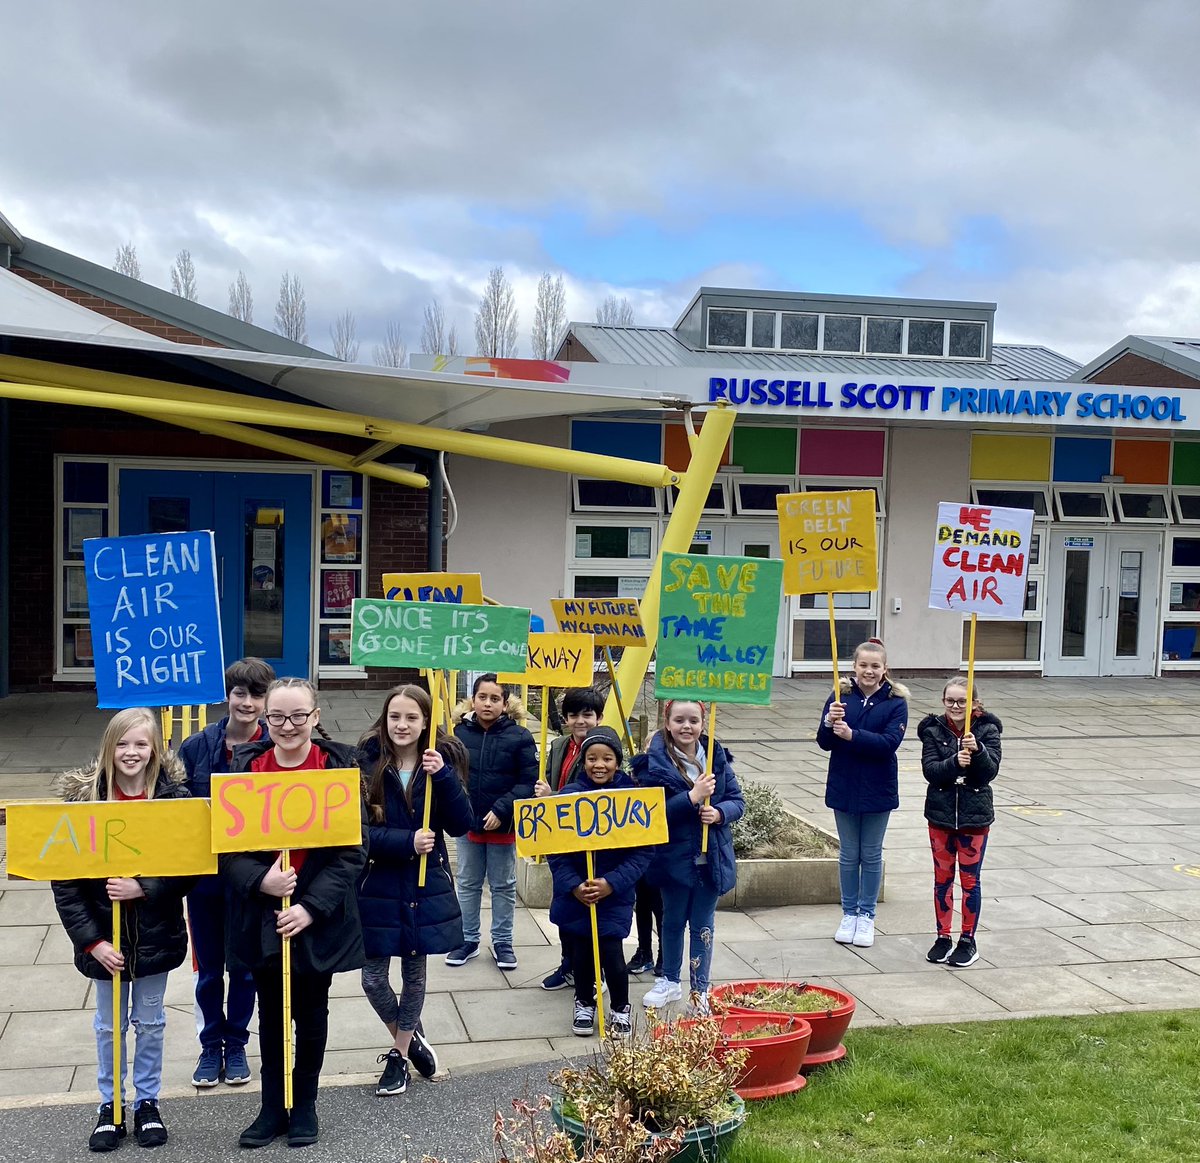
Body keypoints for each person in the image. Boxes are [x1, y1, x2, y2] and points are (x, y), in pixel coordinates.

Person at [223, 678, 367, 1150]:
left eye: (298, 716)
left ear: (316, 716)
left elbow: (352, 852)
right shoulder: (246, 768)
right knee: (270, 1014)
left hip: (315, 917)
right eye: (278, 717)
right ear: (264, 719)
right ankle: (270, 1107)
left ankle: (304, 1104)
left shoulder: (337, 766)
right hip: (263, 915)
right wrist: (259, 879)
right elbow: (226, 847)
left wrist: (309, 907)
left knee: (312, 1012)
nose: (288, 726)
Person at [50, 708, 192, 1152]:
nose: (131, 753)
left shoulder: (172, 799)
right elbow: (66, 883)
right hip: (104, 942)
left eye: (141, 744)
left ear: (154, 750)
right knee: (109, 1028)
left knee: (150, 1023)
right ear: (109, 748)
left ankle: (147, 1102)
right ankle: (110, 1107)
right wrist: (92, 941)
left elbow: (190, 869)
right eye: (123, 744)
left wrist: (144, 887)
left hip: (154, 937)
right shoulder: (85, 803)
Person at [357, 684, 473, 1097]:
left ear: (426, 722)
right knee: (372, 979)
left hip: (425, 883)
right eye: (395, 717)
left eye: (411, 717)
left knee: (414, 973)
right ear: (385, 720)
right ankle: (411, 1039)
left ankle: (398, 1055)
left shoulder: (440, 763)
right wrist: (404, 842)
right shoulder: (366, 761)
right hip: (378, 883)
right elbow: (357, 832)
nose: (402, 725)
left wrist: (442, 775)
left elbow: (461, 823)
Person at [178, 656, 275, 1089]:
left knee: (246, 968)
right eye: (240, 693)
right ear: (228, 694)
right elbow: (174, 809)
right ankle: (210, 1044)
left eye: (257, 694)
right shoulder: (197, 746)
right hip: (205, 880)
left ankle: (236, 1044)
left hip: (254, 880)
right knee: (209, 970)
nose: (248, 702)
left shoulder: (277, 746)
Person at [632, 699, 744, 1014]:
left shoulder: (715, 758)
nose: (686, 726)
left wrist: (720, 813)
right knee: (672, 920)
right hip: (672, 858)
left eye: (693, 720)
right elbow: (652, 813)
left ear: (702, 722)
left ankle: (700, 988)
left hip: (711, 858)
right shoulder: (653, 764)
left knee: (702, 924)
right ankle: (669, 980)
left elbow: (737, 800)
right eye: (679, 720)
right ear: (667, 723)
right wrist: (691, 797)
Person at [549, 726, 650, 1037]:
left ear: (617, 763)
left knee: (611, 954)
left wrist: (611, 883)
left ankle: (620, 1007)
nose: (599, 765)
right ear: (583, 761)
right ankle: (584, 1002)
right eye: (592, 758)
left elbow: (642, 853)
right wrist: (574, 885)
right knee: (580, 954)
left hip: (613, 895)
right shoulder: (567, 797)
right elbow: (554, 850)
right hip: (576, 894)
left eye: (607, 758)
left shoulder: (631, 800)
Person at [817, 639, 909, 950]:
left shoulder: (896, 702)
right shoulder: (840, 695)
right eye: (863, 665)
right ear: (854, 667)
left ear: (885, 669)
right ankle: (848, 913)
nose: (868, 671)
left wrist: (853, 735)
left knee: (870, 854)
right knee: (847, 854)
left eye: (875, 666)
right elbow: (824, 743)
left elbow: (887, 745)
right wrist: (829, 722)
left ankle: (866, 915)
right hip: (844, 784)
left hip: (877, 788)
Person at [445, 674, 537, 972]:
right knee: (468, 882)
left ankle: (502, 942)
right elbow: (450, 777)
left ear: (505, 702)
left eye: (495, 698)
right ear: (472, 699)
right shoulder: (457, 734)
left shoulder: (520, 736)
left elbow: (527, 782)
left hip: (504, 823)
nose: (488, 703)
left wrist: (502, 809)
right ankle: (467, 939)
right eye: (482, 697)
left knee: (503, 884)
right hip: (468, 822)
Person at [917, 675, 1001, 969]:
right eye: (950, 700)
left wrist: (977, 752)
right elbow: (931, 771)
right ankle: (943, 936)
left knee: (969, 881)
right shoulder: (932, 730)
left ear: (975, 703)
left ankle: (967, 940)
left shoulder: (988, 730)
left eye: (962, 701)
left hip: (973, 819)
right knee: (942, 880)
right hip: (940, 817)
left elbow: (988, 773)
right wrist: (955, 762)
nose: (955, 706)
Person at [538, 686, 605, 992]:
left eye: (587, 714)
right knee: (565, 906)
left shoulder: (604, 748)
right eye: (574, 714)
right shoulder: (560, 745)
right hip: (560, 838)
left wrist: (556, 798)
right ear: (565, 719)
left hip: (590, 842)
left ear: (599, 717)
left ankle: (595, 970)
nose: (581, 721)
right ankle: (569, 964)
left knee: (590, 910)